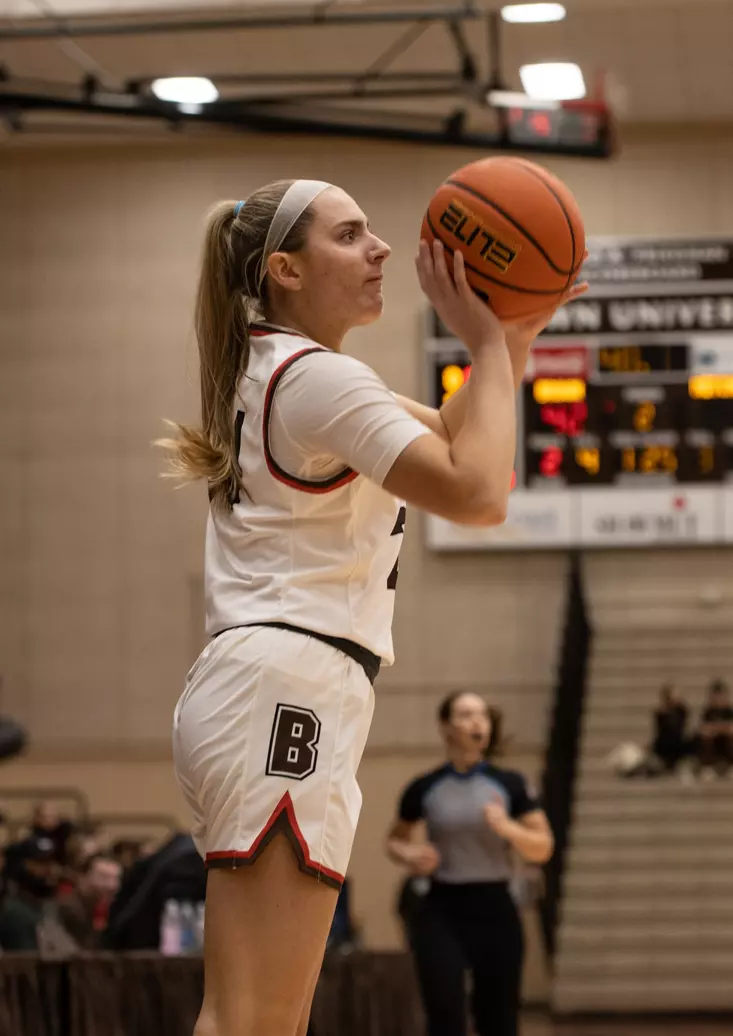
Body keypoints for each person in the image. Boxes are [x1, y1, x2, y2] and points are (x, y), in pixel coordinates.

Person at [159, 179, 587, 1036]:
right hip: (284, 687)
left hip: (273, 685)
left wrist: (509, 334)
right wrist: (488, 346)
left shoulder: (288, 367)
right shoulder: (315, 379)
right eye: (350, 234)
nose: (382, 248)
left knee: (261, 1018)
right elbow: (476, 492)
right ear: (283, 268)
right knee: (252, 1020)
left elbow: (456, 433)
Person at [386, 691, 554, 1036]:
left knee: (498, 1017)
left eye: (483, 715)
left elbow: (543, 847)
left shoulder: (510, 784)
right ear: (446, 727)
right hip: (442, 907)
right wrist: (409, 855)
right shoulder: (425, 787)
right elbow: (394, 839)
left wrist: (509, 827)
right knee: (445, 1011)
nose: (477, 721)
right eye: (465, 714)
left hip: (496, 908)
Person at [57, 853, 122, 948]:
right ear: (82, 877)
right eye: (104, 877)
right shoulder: (68, 909)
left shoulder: (99, 907)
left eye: (116, 878)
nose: (112, 885)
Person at [697, 679, 733, 776]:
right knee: (706, 737)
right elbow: (704, 728)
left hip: (725, 741)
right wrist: (721, 728)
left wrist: (716, 728)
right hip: (714, 742)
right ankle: (707, 767)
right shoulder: (708, 711)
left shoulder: (729, 711)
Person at [651, 685, 689, 772]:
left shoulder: (681, 710)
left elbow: (680, 727)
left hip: (678, 740)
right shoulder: (661, 712)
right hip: (664, 741)